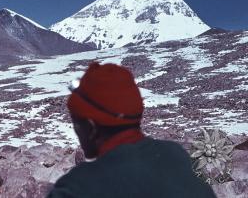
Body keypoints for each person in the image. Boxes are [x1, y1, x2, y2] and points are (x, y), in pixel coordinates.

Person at [47, 62, 216, 198]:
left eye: (77, 124)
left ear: (91, 127)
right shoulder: (177, 155)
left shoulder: (77, 187)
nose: (77, 132)